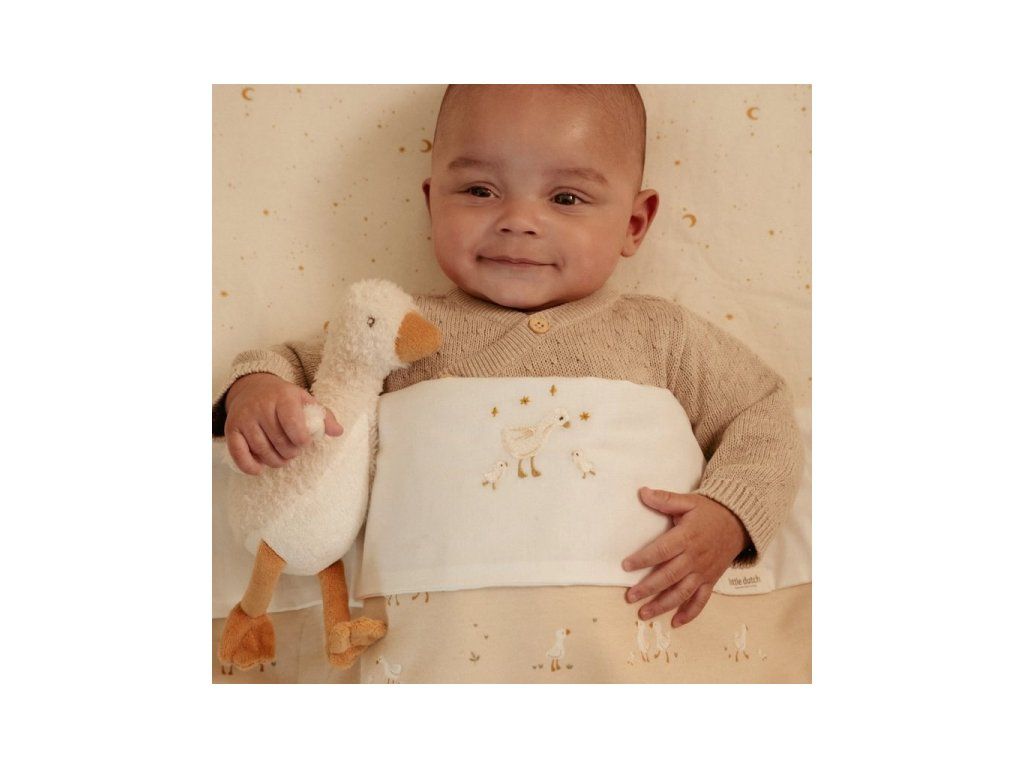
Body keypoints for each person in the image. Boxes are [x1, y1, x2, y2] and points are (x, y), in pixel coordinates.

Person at [212, 85, 804, 682]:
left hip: (632, 653)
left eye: (566, 198)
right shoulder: (397, 328)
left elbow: (761, 409)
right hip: (435, 658)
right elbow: (294, 363)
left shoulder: (660, 334)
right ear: (432, 204)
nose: (518, 221)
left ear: (633, 223)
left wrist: (731, 515)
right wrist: (256, 389)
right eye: (479, 191)